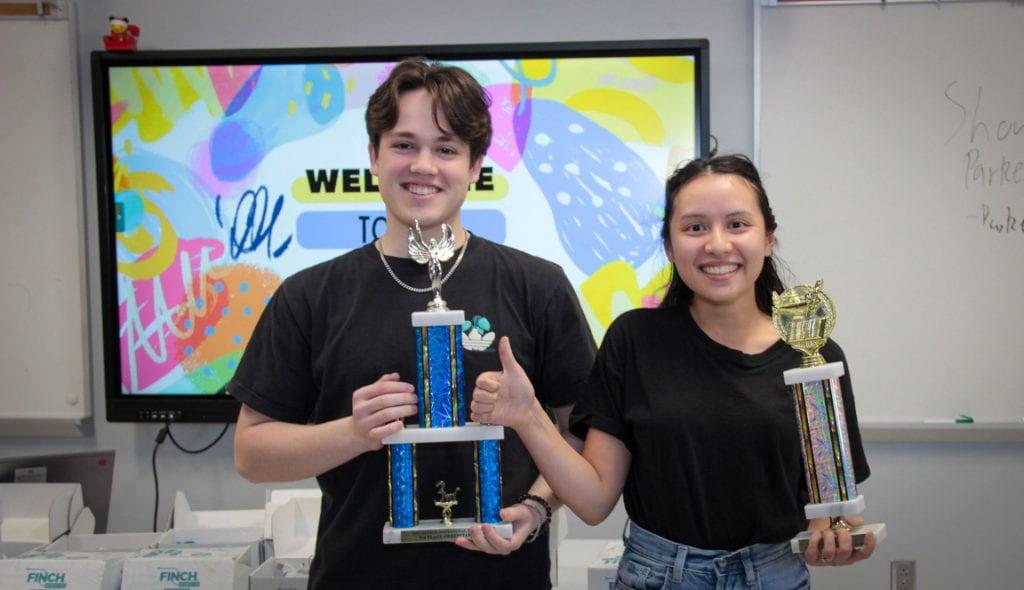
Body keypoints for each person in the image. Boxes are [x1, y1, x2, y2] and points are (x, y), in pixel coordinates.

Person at [230, 58, 596, 589]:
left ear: (474, 167)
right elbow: (251, 454)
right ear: (374, 157)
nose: (424, 165)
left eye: (446, 149)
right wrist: (353, 434)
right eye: (404, 145)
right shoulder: (310, 296)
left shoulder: (538, 286)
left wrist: (537, 507)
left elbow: (580, 435)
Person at [472, 154, 877, 589]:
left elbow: (838, 510)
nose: (717, 244)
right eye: (695, 227)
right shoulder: (635, 340)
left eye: (737, 224)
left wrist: (838, 535)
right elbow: (592, 502)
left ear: (768, 239)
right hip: (658, 577)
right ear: (669, 245)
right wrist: (530, 417)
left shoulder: (813, 352)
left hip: (774, 576)